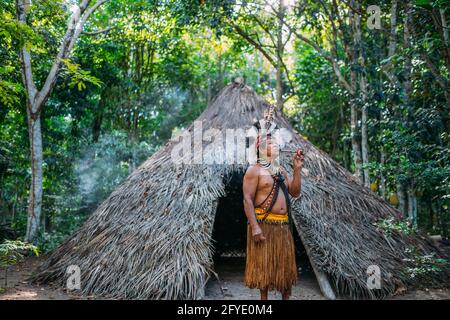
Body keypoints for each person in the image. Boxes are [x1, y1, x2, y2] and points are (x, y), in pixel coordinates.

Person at [242, 132, 304, 300]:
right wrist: (255, 227)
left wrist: (297, 170)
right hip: (264, 226)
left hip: (283, 227)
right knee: (264, 270)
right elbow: (247, 199)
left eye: (276, 142)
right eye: (270, 143)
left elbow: (295, 193)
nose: (275, 144)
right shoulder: (254, 170)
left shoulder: (281, 171)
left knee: (284, 273)